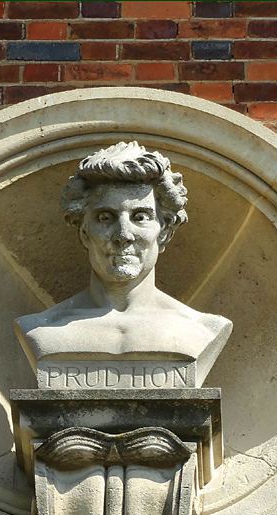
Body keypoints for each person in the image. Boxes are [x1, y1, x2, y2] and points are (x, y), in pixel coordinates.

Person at [15, 141, 232, 388]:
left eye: (140, 217)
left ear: (165, 232)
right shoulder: (39, 330)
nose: (123, 235)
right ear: (84, 232)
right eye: (105, 218)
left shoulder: (203, 330)